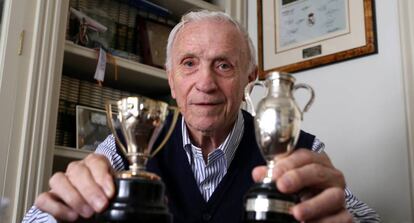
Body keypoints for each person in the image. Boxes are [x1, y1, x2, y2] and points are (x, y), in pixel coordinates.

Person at [23, 10, 380, 223]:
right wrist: (65, 211)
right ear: (171, 80)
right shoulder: (123, 144)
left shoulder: (301, 148)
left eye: (223, 65)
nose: (205, 83)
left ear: (249, 79)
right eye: (189, 64)